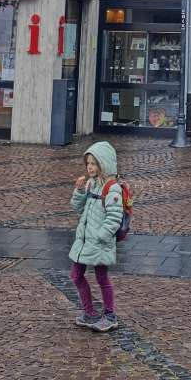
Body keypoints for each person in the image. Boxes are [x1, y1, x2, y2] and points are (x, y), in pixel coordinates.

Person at [69, 140, 124, 332]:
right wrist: (79, 190)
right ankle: (89, 312)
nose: (90, 167)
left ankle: (110, 315)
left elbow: (115, 217)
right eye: (88, 163)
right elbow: (77, 207)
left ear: (104, 164)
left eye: (93, 163)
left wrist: (101, 236)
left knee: (102, 278)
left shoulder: (112, 188)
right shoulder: (91, 184)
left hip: (99, 242)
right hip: (85, 241)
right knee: (76, 276)